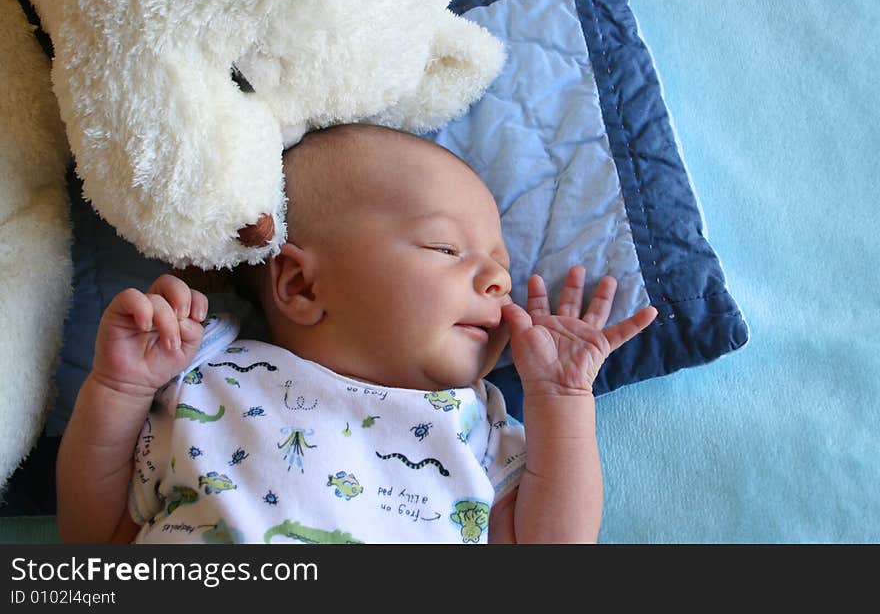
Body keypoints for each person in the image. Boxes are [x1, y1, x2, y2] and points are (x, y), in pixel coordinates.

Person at [56, 124, 657, 544]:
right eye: (446, 247)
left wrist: (562, 401)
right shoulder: (208, 374)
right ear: (302, 286)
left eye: (499, 262)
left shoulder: (475, 423)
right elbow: (99, 536)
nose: (500, 279)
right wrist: (120, 389)